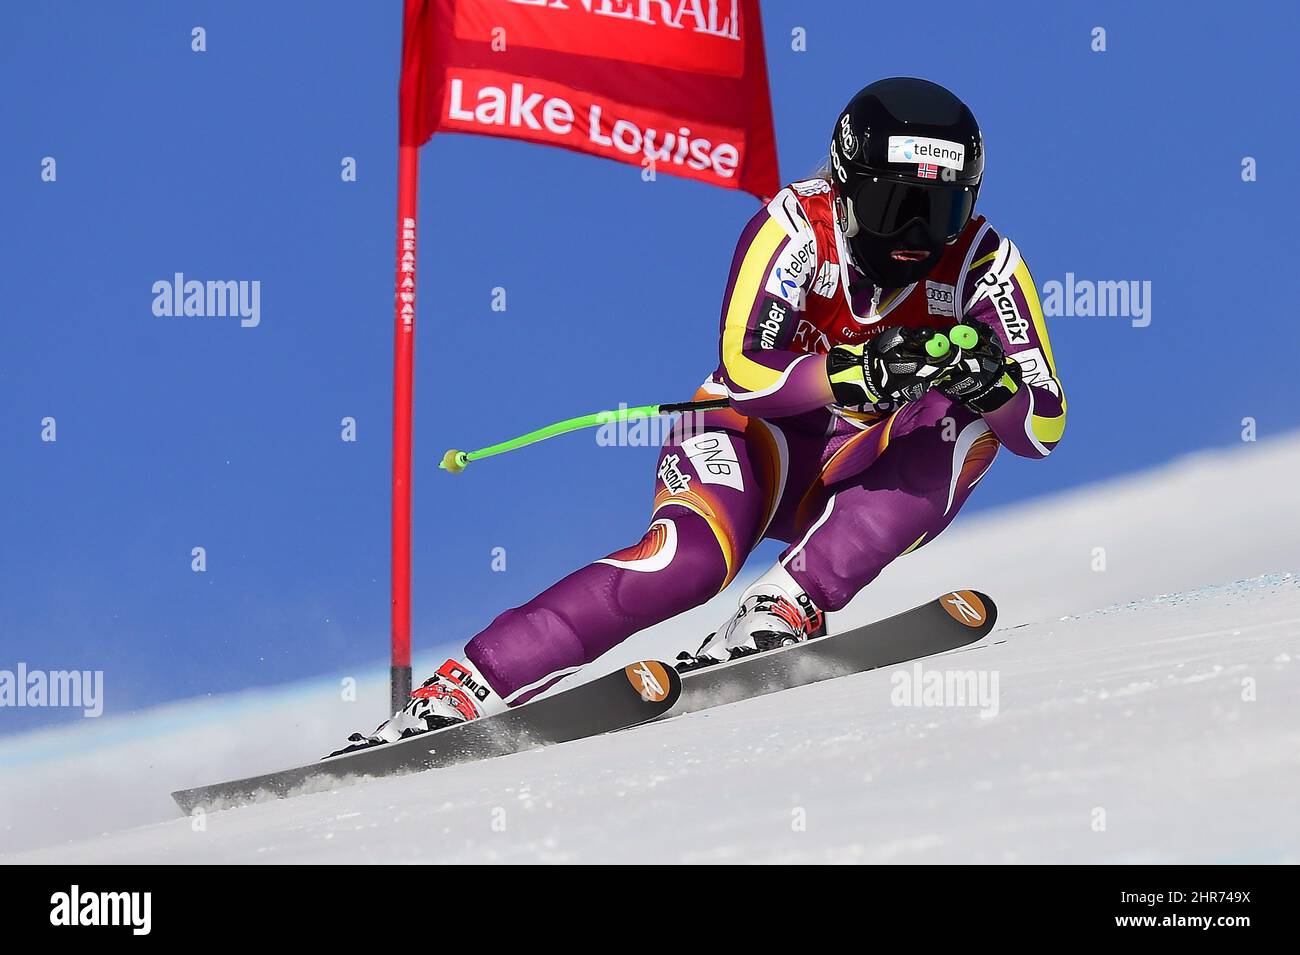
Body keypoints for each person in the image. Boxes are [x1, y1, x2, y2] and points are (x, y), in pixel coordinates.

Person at [338, 76, 1066, 751]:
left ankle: (786, 602)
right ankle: (465, 687)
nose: (915, 233)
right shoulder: (795, 227)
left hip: (862, 462)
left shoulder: (985, 262)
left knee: (969, 421)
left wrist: (996, 386)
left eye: (939, 210)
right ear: (846, 187)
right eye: (894, 206)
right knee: (689, 561)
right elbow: (748, 367)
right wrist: (858, 369)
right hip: (749, 438)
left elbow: (1043, 425)